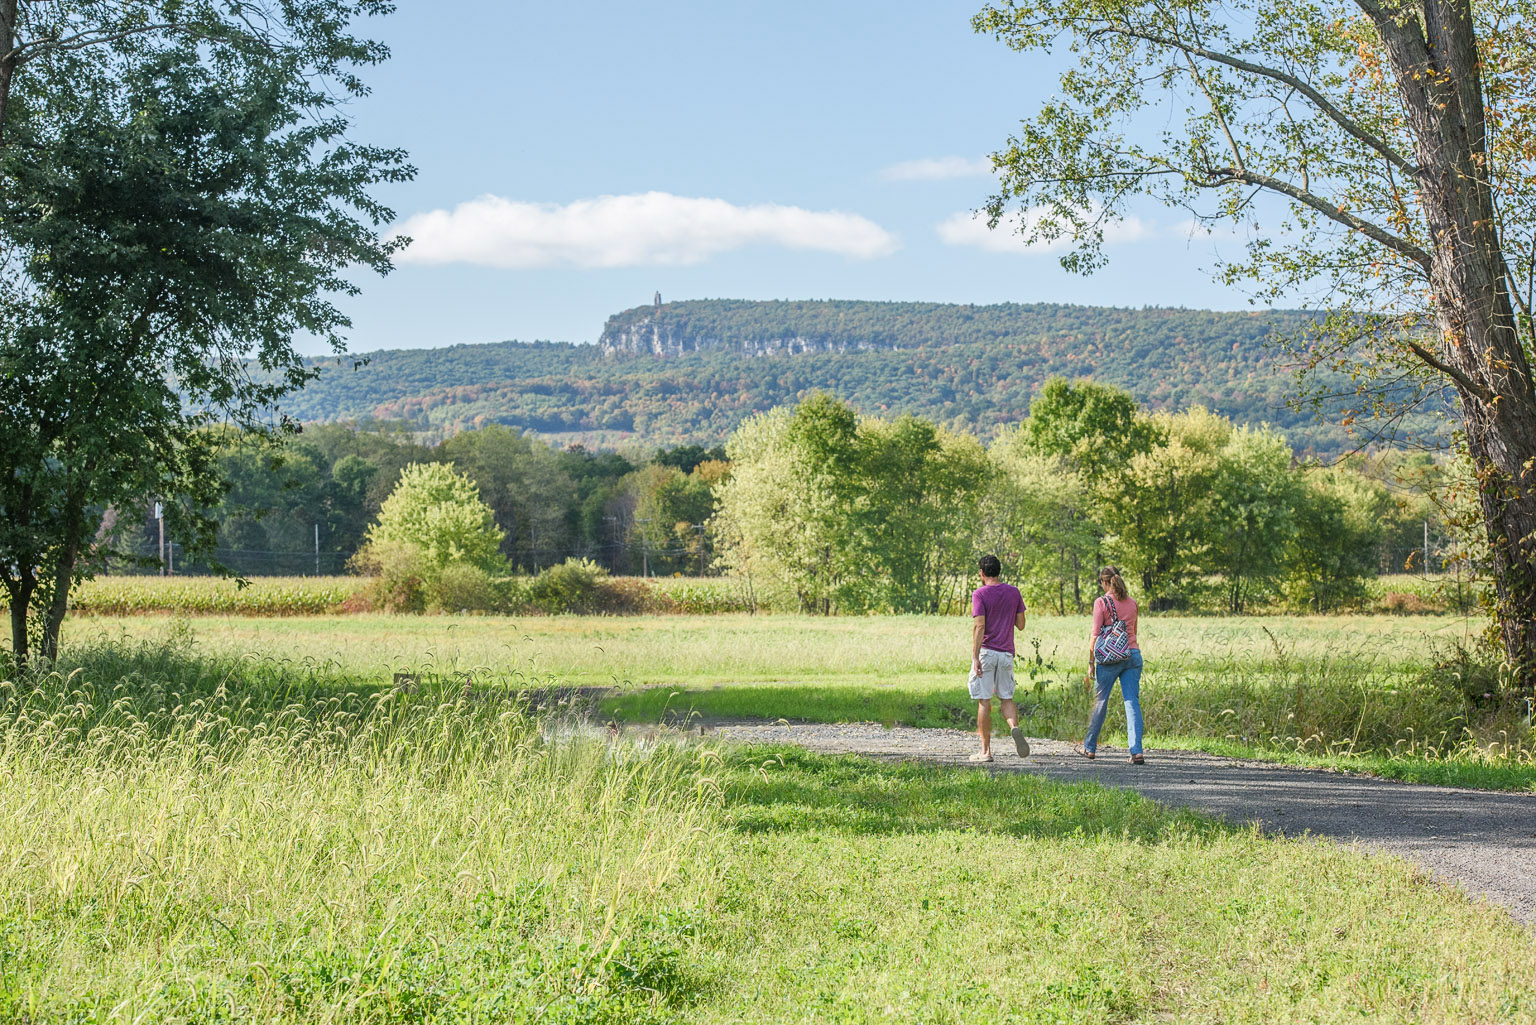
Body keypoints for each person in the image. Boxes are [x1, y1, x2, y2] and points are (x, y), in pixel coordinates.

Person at [1076, 565, 1145, 764]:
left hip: (1109, 658)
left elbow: (1095, 635)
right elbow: (1135, 632)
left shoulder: (1101, 602)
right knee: (1131, 701)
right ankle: (1137, 751)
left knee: (1101, 701)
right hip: (1132, 655)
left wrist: (1091, 662)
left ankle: (1089, 747)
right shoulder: (1132, 603)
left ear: (1105, 582)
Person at [967, 554, 1030, 763]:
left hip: (987, 651)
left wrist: (975, 657)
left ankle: (985, 752)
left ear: (982, 573)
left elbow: (979, 626)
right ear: (999, 571)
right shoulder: (1014, 592)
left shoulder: (980, 594)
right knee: (1007, 698)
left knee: (984, 700)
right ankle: (1015, 728)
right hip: (1006, 653)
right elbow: (1021, 624)